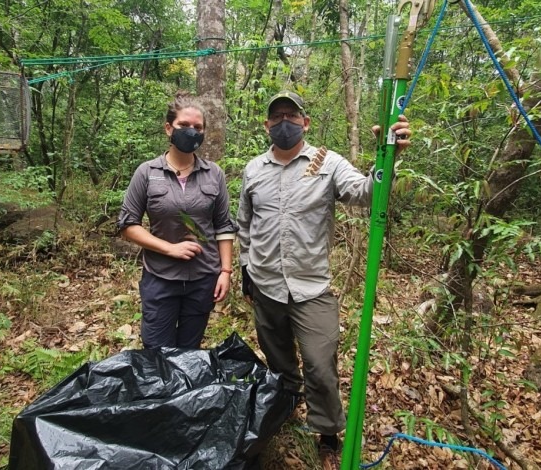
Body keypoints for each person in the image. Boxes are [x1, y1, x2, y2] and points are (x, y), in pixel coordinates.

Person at [237, 91, 411, 469]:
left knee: (319, 364)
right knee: (279, 360)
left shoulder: (327, 163)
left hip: (311, 286)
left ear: (306, 122)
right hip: (265, 285)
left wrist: (389, 157)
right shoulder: (253, 169)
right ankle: (286, 407)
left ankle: (328, 433)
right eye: (277, 117)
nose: (284, 122)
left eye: (292, 115)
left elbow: (365, 193)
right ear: (267, 125)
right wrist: (245, 269)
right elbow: (245, 224)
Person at [117, 91, 237, 350]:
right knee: (157, 350)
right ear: (169, 128)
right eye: (184, 126)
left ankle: (183, 391)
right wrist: (169, 248)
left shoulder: (213, 174)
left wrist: (225, 271)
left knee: (189, 351)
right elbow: (128, 225)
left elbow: (223, 226)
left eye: (198, 127)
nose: (191, 132)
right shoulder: (147, 172)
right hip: (161, 277)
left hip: (203, 278)